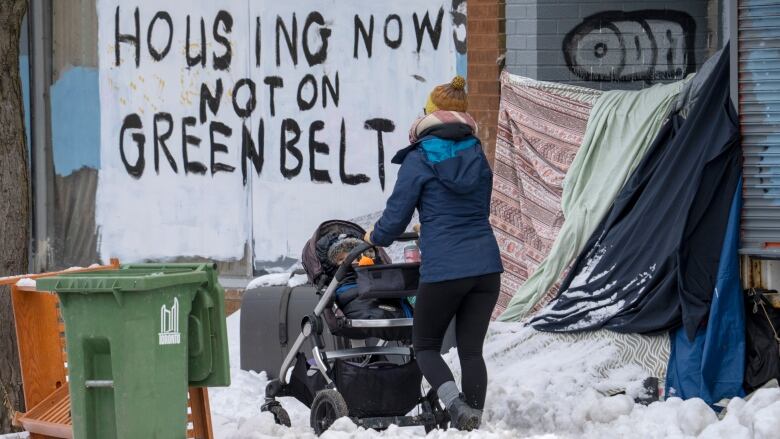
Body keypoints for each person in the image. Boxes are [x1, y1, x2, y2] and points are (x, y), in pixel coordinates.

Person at [364, 76, 503, 431]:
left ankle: (456, 406)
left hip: (445, 268)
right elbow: (473, 209)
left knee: (425, 345)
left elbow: (395, 221)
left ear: (430, 114)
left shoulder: (420, 157)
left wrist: (373, 236)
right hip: (486, 267)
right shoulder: (477, 152)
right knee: (472, 351)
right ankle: (474, 420)